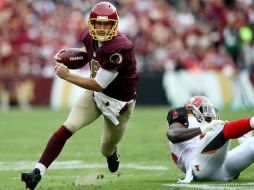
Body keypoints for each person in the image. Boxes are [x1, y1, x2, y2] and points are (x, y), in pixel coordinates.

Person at [21, 2, 138, 189]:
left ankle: (111, 153)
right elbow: (91, 54)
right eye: (97, 24)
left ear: (114, 25)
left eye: (106, 24)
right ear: (91, 23)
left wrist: (68, 75)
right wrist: (74, 56)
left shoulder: (120, 47)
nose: (101, 28)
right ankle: (37, 172)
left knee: (106, 147)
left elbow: (98, 83)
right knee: (68, 126)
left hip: (118, 105)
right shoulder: (88, 36)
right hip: (95, 96)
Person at [166, 95, 254, 183]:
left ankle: (246, 139)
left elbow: (232, 170)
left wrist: (245, 144)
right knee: (220, 127)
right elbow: (173, 135)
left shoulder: (209, 127)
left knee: (251, 143)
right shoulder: (182, 113)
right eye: (204, 109)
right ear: (192, 109)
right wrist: (203, 129)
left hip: (221, 168)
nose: (209, 113)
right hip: (198, 167)